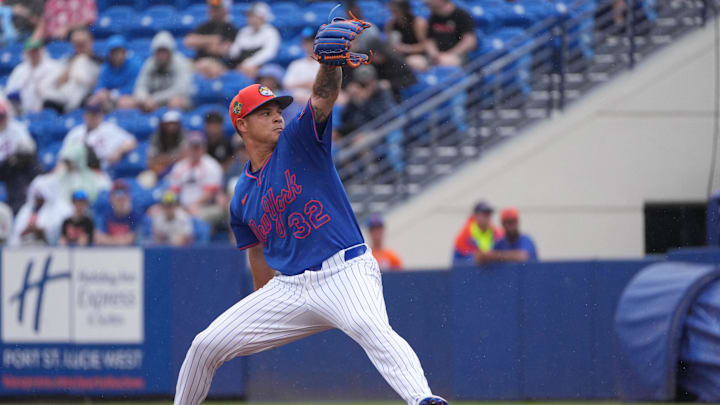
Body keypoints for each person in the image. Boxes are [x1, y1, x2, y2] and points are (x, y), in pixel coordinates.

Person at [173, 17, 448, 405]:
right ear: (242, 125)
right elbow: (256, 256)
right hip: (289, 289)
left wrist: (329, 63)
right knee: (204, 345)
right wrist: (265, 310)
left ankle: (423, 400)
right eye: (264, 111)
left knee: (370, 326)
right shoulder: (241, 197)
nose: (276, 115)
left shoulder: (298, 141)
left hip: (344, 271)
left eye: (277, 108)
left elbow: (321, 97)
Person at [61, 102, 138, 169]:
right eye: (90, 115)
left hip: (103, 168)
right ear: (85, 116)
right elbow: (64, 155)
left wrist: (118, 151)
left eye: (96, 115)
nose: (93, 118)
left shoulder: (109, 129)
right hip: (78, 169)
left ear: (101, 116)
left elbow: (132, 141)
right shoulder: (76, 132)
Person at [167, 131, 224, 224]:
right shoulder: (179, 166)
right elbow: (173, 191)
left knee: (196, 216)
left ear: (203, 148)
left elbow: (210, 193)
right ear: (187, 148)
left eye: (198, 147)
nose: (195, 150)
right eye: (192, 147)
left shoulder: (211, 165)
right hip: (182, 207)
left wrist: (194, 205)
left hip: (206, 206)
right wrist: (173, 207)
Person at [40, 28, 101, 113]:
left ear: (90, 42)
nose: (80, 47)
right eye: (77, 44)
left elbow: (99, 83)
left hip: (87, 99)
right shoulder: (67, 61)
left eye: (82, 44)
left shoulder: (99, 61)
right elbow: (57, 83)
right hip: (64, 98)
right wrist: (70, 69)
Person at [134, 31, 194, 112]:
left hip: (176, 99)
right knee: (129, 103)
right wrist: (144, 99)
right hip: (152, 101)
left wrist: (155, 99)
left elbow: (181, 90)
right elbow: (140, 85)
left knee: (175, 102)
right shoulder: (150, 63)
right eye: (159, 51)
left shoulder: (181, 62)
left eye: (164, 51)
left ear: (171, 52)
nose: (162, 55)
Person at [9, 174, 72, 246]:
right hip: (25, 246)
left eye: (40, 195)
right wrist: (27, 229)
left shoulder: (61, 209)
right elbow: (16, 234)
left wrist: (39, 230)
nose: (37, 197)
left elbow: (56, 235)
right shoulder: (26, 209)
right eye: (36, 194)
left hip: (46, 247)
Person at [0, 101, 40, 213]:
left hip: (19, 164)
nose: (1, 120)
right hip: (4, 168)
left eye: (2, 116)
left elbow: (29, 149)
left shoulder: (16, 128)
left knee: (31, 165)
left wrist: (14, 159)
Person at [337, 65, 397, 137]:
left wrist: (365, 100)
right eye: (362, 84)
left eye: (369, 82)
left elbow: (385, 116)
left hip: (385, 128)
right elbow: (346, 120)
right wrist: (354, 101)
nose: (369, 85)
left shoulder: (381, 92)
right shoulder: (355, 101)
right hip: (362, 132)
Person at [184, 0, 238, 79]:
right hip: (199, 61)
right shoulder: (205, 26)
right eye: (212, 8)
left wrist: (201, 44)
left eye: (216, 8)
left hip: (220, 64)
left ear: (225, 10)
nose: (212, 11)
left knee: (205, 66)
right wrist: (212, 39)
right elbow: (188, 41)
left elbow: (221, 50)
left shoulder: (231, 29)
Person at [6, 38, 61, 114]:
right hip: (22, 110)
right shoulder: (20, 69)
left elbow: (58, 91)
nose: (34, 53)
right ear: (27, 52)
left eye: (36, 50)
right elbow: (10, 90)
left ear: (42, 50)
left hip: (46, 109)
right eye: (31, 51)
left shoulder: (54, 67)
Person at [228, 2, 280, 79]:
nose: (249, 18)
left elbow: (269, 53)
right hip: (239, 64)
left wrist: (248, 63)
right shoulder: (244, 31)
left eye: (252, 16)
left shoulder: (271, 32)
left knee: (249, 71)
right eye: (248, 16)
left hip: (261, 66)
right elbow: (234, 53)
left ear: (262, 17)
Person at [92, 35, 142, 110]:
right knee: (93, 101)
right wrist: (100, 93)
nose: (117, 55)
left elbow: (134, 87)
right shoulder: (106, 67)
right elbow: (100, 85)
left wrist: (112, 94)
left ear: (125, 52)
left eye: (119, 51)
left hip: (129, 97)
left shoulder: (135, 65)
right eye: (114, 52)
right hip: (110, 99)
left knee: (125, 102)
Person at [424, 0, 476, 67]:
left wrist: (449, 54)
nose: (427, 2)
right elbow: (429, 40)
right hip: (438, 56)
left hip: (458, 56)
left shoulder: (461, 14)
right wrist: (435, 54)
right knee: (415, 62)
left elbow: (470, 41)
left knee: (445, 62)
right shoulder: (433, 17)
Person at [452, 201, 503, 265]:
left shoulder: (498, 234)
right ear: (475, 215)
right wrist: (474, 258)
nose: (487, 217)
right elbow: (456, 262)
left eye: (488, 214)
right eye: (484, 214)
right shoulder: (464, 235)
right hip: (471, 273)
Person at [94, 180, 141, 246]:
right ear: (111, 198)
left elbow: (135, 238)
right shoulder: (105, 213)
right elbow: (98, 238)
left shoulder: (136, 215)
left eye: (124, 198)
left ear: (129, 198)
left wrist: (109, 240)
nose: (121, 202)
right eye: (118, 199)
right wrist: (121, 240)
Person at [385, 0, 428, 70]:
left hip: (419, 56)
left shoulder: (418, 23)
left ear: (404, 10)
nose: (393, 14)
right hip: (399, 56)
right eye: (391, 11)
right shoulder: (390, 24)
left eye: (395, 11)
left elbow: (424, 46)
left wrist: (406, 48)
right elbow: (389, 44)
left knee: (412, 62)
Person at [283, 28, 320, 105]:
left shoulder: (325, 64)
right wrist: (305, 84)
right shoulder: (296, 64)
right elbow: (286, 85)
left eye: (313, 42)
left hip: (319, 100)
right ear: (303, 45)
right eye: (307, 42)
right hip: (297, 100)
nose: (310, 45)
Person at [147, 110, 187, 176]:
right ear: (163, 124)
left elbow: (185, 156)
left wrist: (162, 158)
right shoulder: (156, 137)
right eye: (168, 123)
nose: (171, 126)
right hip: (160, 169)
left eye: (174, 123)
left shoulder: (184, 135)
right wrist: (172, 158)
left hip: (180, 169)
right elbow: (150, 160)